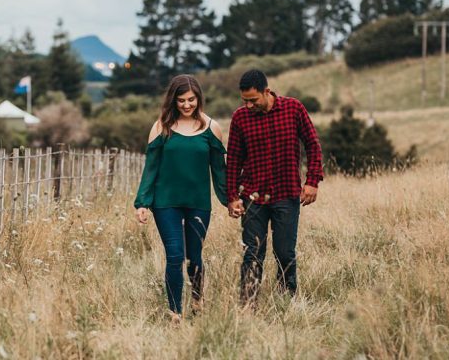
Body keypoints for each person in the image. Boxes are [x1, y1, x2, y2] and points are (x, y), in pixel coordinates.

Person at [134, 74, 229, 322]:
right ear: (172, 101)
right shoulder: (161, 127)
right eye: (181, 101)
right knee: (175, 255)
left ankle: (197, 300)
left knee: (194, 257)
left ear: (198, 98)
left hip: (198, 202)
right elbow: (151, 168)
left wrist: (230, 199)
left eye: (191, 100)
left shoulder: (211, 128)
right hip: (166, 203)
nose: (187, 105)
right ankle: (175, 312)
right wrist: (142, 202)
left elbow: (219, 171)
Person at [225, 69, 323, 302]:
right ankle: (248, 303)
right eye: (244, 101)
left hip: (286, 194)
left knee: (285, 252)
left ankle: (286, 300)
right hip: (252, 197)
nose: (248, 106)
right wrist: (232, 197)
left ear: (266, 91)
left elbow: (313, 144)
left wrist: (312, 181)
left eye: (253, 100)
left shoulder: (293, 109)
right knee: (252, 253)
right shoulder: (240, 118)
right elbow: (234, 160)